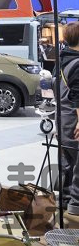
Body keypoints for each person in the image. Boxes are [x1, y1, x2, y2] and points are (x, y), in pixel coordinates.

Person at [57, 22, 79, 219]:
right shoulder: (77, 63)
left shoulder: (62, 60)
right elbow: (77, 96)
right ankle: (76, 206)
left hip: (62, 119)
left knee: (67, 165)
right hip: (74, 121)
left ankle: (64, 201)